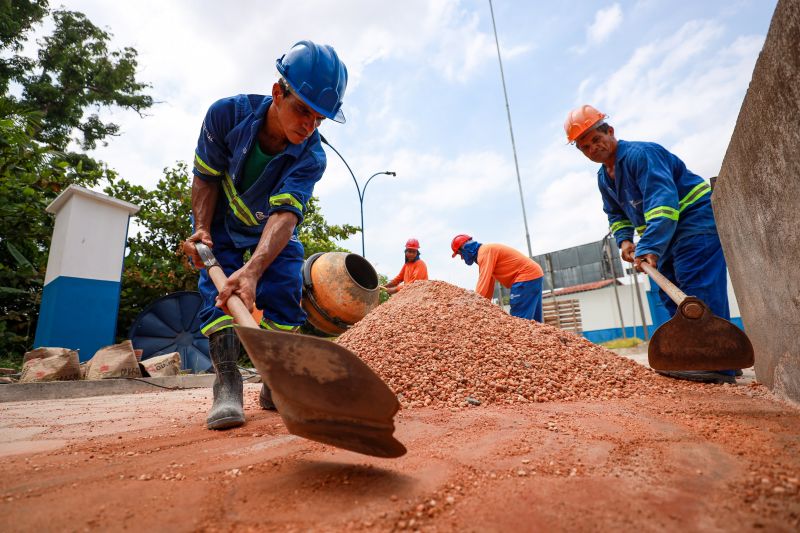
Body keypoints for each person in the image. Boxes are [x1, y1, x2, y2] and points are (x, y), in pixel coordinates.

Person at [182, 41, 348, 430]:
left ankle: (276, 380)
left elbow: (285, 214)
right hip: (220, 225)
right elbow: (204, 178)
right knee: (217, 300)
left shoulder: (312, 156)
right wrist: (202, 229)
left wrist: (254, 270)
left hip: (271, 232)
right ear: (278, 92)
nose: (309, 125)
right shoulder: (227, 115)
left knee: (287, 288)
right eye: (302, 109)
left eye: (320, 118)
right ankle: (227, 383)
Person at [565, 104, 737, 384]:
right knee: (668, 293)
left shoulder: (640, 155)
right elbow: (616, 213)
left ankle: (720, 363)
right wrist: (624, 241)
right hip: (664, 233)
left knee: (696, 286)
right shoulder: (603, 178)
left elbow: (663, 203)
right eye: (585, 147)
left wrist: (650, 247)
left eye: (596, 139)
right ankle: (694, 357)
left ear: (610, 131)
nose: (593, 148)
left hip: (692, 220)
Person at [451, 235, 544, 321]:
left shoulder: (484, 253)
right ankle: (542, 338)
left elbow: (483, 281)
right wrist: (484, 304)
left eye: (460, 254)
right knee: (535, 321)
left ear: (465, 248)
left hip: (525, 277)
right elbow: (489, 283)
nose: (462, 258)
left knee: (519, 320)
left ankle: (522, 338)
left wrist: (475, 305)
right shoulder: (486, 253)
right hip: (534, 275)